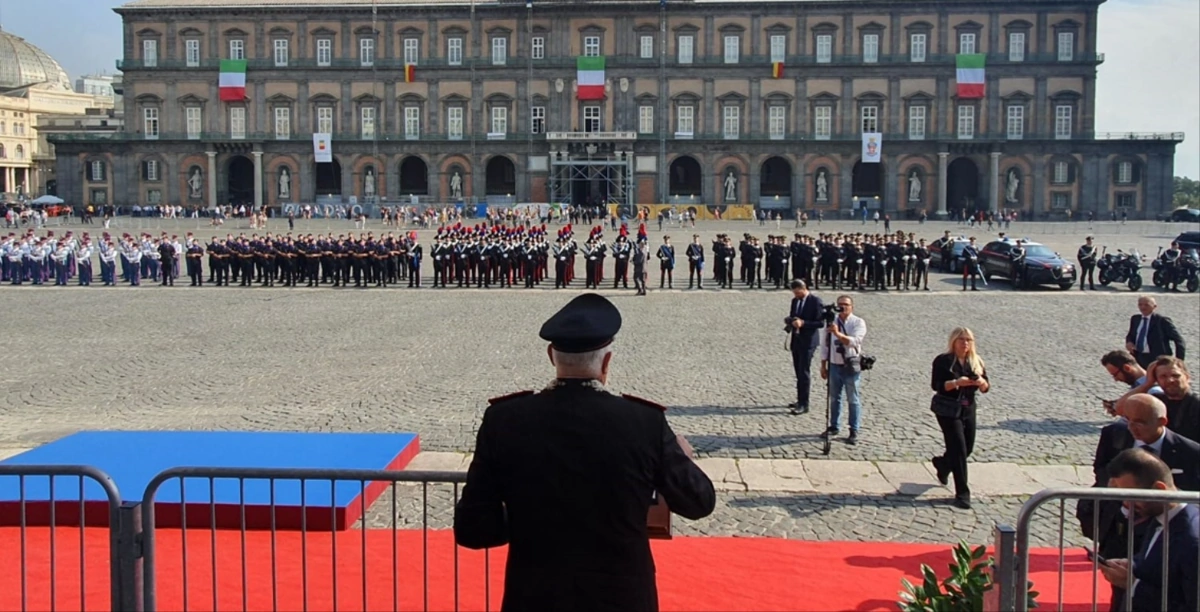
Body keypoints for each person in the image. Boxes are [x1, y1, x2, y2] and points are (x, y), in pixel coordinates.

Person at [454, 293, 716, 612]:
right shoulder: (644, 422)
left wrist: (530, 515)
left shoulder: (504, 420)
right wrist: (682, 460)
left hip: (535, 596)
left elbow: (474, 529)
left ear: (552, 355)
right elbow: (698, 503)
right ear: (607, 362)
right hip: (621, 597)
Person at [1098, 448, 1199, 612]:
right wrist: (1132, 564)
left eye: (1132, 496)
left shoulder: (1192, 541)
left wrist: (1133, 585)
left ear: (1159, 490)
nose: (1126, 504)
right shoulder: (1157, 516)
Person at [929, 327, 990, 509]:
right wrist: (957, 383)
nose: (965, 343)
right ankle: (963, 494)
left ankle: (943, 464)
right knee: (959, 449)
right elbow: (937, 385)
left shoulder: (976, 361)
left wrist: (981, 382)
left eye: (968, 340)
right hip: (948, 409)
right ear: (953, 342)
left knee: (967, 448)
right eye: (961, 340)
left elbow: (987, 387)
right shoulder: (943, 361)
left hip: (968, 409)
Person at [818, 295, 867, 445]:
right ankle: (834, 425)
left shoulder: (858, 322)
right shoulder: (831, 322)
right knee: (834, 398)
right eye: (840, 305)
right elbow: (825, 344)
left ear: (852, 307)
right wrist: (823, 365)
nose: (843, 307)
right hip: (834, 364)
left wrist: (838, 334)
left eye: (846, 304)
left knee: (853, 398)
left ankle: (854, 429)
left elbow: (854, 341)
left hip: (850, 366)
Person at [787, 280, 825, 416]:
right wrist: (790, 320)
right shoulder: (795, 301)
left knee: (804, 372)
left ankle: (804, 403)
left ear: (804, 288)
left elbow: (820, 323)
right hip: (796, 340)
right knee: (798, 371)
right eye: (794, 293)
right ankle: (799, 399)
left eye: (798, 292)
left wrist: (803, 323)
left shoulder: (815, 301)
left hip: (808, 342)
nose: (796, 295)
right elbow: (793, 315)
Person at [1124, 297, 1186, 369]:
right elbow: (1131, 335)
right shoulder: (1135, 319)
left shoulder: (1162, 321)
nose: (1143, 307)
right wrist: (1129, 342)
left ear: (1154, 306)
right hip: (1139, 357)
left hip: (1157, 360)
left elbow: (1179, 340)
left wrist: (1179, 361)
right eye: (1140, 305)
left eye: (1146, 305)